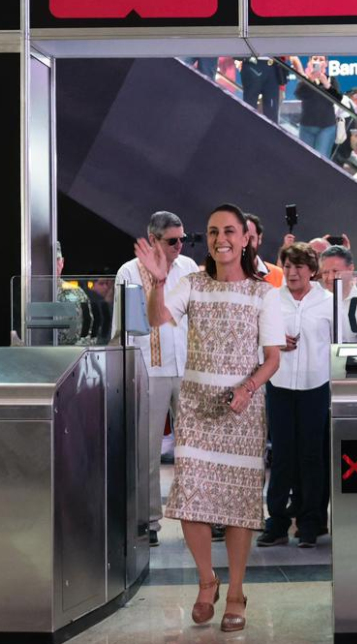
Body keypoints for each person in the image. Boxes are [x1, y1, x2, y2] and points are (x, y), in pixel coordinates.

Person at [134, 203, 284, 633]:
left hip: (242, 410)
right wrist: (159, 282)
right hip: (198, 408)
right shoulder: (192, 285)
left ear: (246, 239)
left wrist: (247, 388)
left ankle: (236, 591)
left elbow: (272, 358)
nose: (222, 239)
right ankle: (207, 581)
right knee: (191, 498)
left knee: (238, 506)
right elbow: (157, 319)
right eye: (214, 231)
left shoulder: (263, 293)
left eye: (231, 231)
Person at [114, 211, 199, 547]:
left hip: (189, 368)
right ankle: (148, 520)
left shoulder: (189, 268)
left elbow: (200, 318)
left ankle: (202, 516)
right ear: (152, 240)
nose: (179, 246)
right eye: (172, 240)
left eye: (182, 239)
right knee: (146, 452)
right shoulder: (129, 271)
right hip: (148, 370)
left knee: (195, 449)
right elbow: (127, 328)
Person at [260, 244, 333, 549]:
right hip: (279, 384)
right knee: (282, 456)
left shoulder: (328, 302)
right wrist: (276, 344)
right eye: (287, 266)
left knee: (312, 456)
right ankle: (276, 521)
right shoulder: (271, 299)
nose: (291, 273)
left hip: (316, 385)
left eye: (299, 267)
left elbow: (339, 343)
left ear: (312, 270)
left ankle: (311, 521)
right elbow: (257, 339)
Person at [295, 56, 343, 159]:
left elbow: (338, 99)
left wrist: (326, 83)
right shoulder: (305, 79)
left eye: (321, 60)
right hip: (306, 126)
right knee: (306, 158)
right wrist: (311, 79)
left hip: (327, 126)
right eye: (315, 59)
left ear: (326, 63)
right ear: (309, 62)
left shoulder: (331, 79)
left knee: (322, 158)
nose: (318, 62)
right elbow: (299, 94)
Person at [246, 213, 284, 287]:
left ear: (259, 238)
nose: (246, 244)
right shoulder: (221, 275)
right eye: (241, 239)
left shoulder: (278, 275)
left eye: (251, 238)